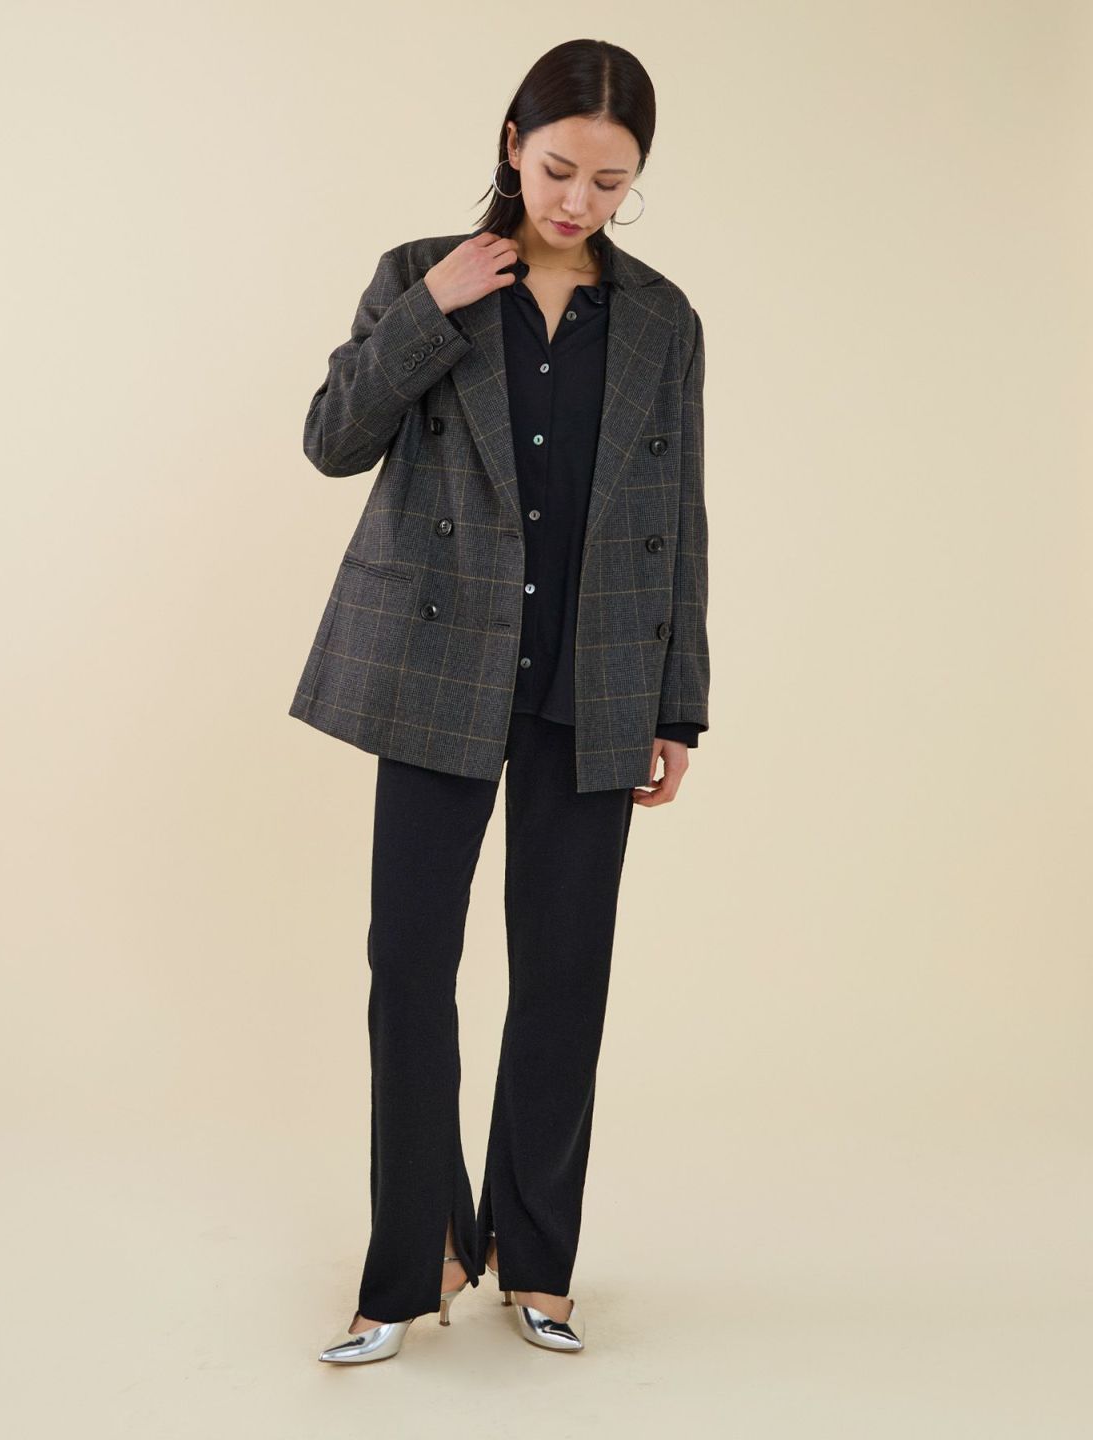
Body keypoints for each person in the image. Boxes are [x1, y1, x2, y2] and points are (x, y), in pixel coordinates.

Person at [295, 38, 710, 1363]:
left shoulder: (662, 320)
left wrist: (677, 705)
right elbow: (332, 439)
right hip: (439, 669)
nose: (579, 200)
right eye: (559, 168)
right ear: (512, 145)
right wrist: (430, 305)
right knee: (411, 965)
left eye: (611, 181)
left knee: (564, 975)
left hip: (595, 677)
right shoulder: (422, 273)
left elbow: (678, 516)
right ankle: (411, 1259)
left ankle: (538, 1262)